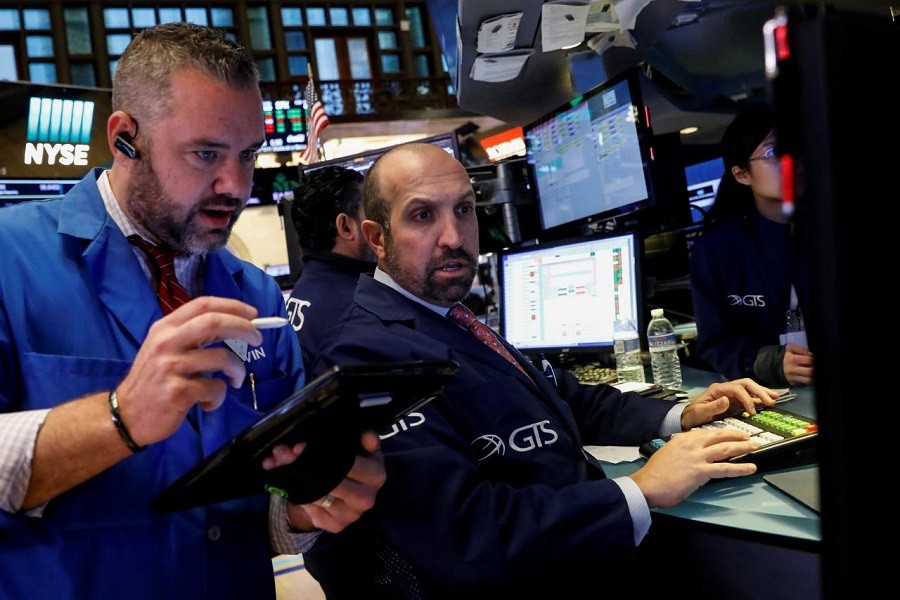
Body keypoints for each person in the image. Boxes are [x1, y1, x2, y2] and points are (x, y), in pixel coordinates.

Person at [0, 23, 384, 599]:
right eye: (205, 153)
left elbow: (261, 509)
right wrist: (119, 415)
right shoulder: (10, 257)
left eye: (248, 154)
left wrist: (310, 508)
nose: (235, 184)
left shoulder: (256, 294)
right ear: (125, 135)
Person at [300, 142, 780, 596]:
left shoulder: (447, 315)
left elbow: (567, 397)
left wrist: (679, 415)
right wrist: (639, 489)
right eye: (423, 215)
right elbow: (470, 538)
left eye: (463, 209)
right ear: (376, 238)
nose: (453, 237)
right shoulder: (365, 356)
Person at [690, 103, 814, 387]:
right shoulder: (716, 251)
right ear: (741, 174)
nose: (792, 160)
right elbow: (714, 343)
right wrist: (767, 362)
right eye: (775, 152)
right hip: (770, 395)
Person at [286, 165, 376, 369]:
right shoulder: (361, 310)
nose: (381, 221)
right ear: (345, 226)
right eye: (372, 210)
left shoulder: (305, 288)